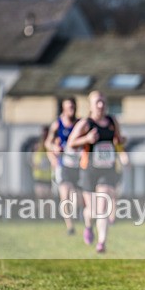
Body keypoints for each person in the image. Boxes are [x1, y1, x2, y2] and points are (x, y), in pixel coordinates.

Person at [68, 90, 125, 253]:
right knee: (92, 210)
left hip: (107, 170)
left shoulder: (113, 121)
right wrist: (86, 139)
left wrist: (121, 142)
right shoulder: (86, 123)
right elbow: (71, 142)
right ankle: (88, 225)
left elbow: (118, 140)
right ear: (91, 106)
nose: (101, 105)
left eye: (103, 102)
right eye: (97, 102)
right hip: (89, 170)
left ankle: (101, 242)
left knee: (103, 207)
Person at [45, 97, 83, 235]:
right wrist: (54, 147)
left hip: (78, 164)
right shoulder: (57, 125)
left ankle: (78, 216)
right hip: (63, 164)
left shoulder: (80, 124)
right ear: (63, 109)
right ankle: (70, 227)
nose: (70, 110)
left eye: (72, 107)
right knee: (64, 195)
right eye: (68, 108)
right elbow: (47, 142)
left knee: (77, 198)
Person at [30, 125, 53, 199]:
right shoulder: (37, 146)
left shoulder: (51, 145)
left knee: (48, 202)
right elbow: (32, 160)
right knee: (40, 200)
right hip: (39, 178)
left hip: (48, 179)